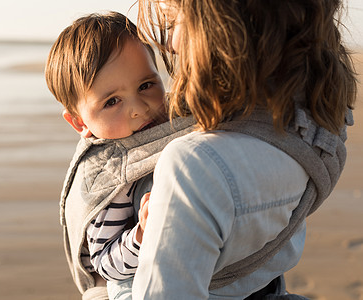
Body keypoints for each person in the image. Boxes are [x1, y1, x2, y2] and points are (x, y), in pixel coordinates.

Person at [132, 0, 357, 299]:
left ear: (224, 23)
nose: (171, 44)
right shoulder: (307, 131)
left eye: (174, 22)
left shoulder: (194, 166)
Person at [45, 11, 194, 300]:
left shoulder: (162, 121)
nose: (139, 108)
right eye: (112, 102)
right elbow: (105, 263)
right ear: (80, 123)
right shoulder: (112, 175)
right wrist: (142, 232)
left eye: (146, 85)